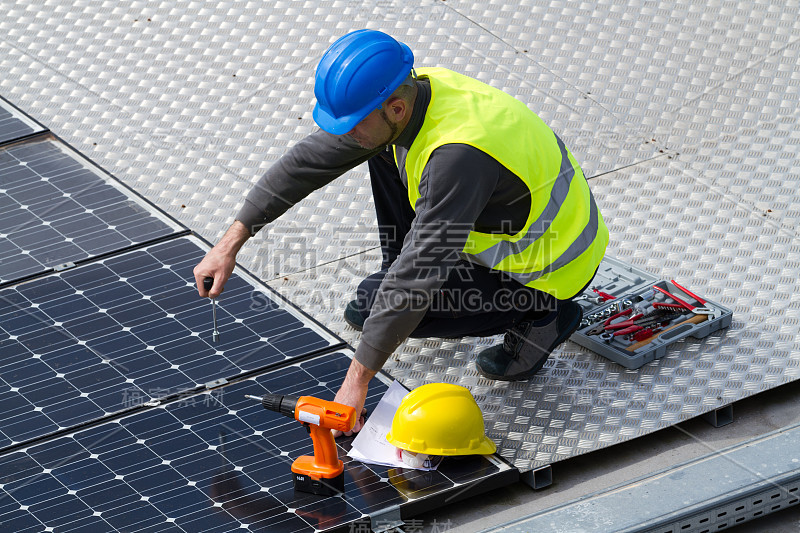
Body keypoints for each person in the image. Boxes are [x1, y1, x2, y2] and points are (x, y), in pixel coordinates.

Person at [193, 29, 608, 435]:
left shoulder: (458, 157)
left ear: (394, 108)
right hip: (497, 222)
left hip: (547, 269)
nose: (343, 133)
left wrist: (356, 384)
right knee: (379, 152)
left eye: (352, 123)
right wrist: (230, 243)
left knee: (387, 304)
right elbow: (307, 162)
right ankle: (402, 290)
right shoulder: (410, 92)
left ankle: (543, 319)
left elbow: (417, 275)